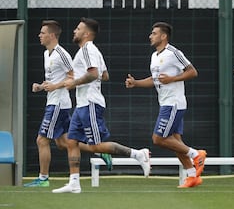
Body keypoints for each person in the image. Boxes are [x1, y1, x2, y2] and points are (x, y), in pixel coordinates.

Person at [52, 17, 150, 193]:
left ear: (87, 34)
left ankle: (138, 154)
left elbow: (94, 73)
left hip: (90, 103)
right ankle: (74, 182)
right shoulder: (89, 51)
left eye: (78, 28)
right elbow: (104, 75)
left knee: (96, 146)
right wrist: (82, 80)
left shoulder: (88, 49)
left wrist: (74, 83)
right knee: (71, 141)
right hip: (82, 104)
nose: (74, 31)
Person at [24, 20, 112, 188]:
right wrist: (42, 86)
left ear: (51, 35)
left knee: (42, 140)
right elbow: (54, 80)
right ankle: (99, 149)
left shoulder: (62, 54)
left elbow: (72, 76)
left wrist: (55, 86)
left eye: (42, 33)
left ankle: (43, 178)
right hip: (53, 101)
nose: (39, 36)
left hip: (59, 103)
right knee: (64, 143)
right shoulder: (46, 54)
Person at [125, 22, 207, 188]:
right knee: (176, 141)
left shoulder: (173, 53)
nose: (150, 36)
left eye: (154, 33)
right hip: (165, 103)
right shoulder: (154, 56)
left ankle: (196, 154)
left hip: (174, 103)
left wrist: (172, 79)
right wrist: (136, 83)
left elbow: (192, 71)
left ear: (163, 36)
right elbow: (155, 79)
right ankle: (192, 176)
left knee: (159, 138)